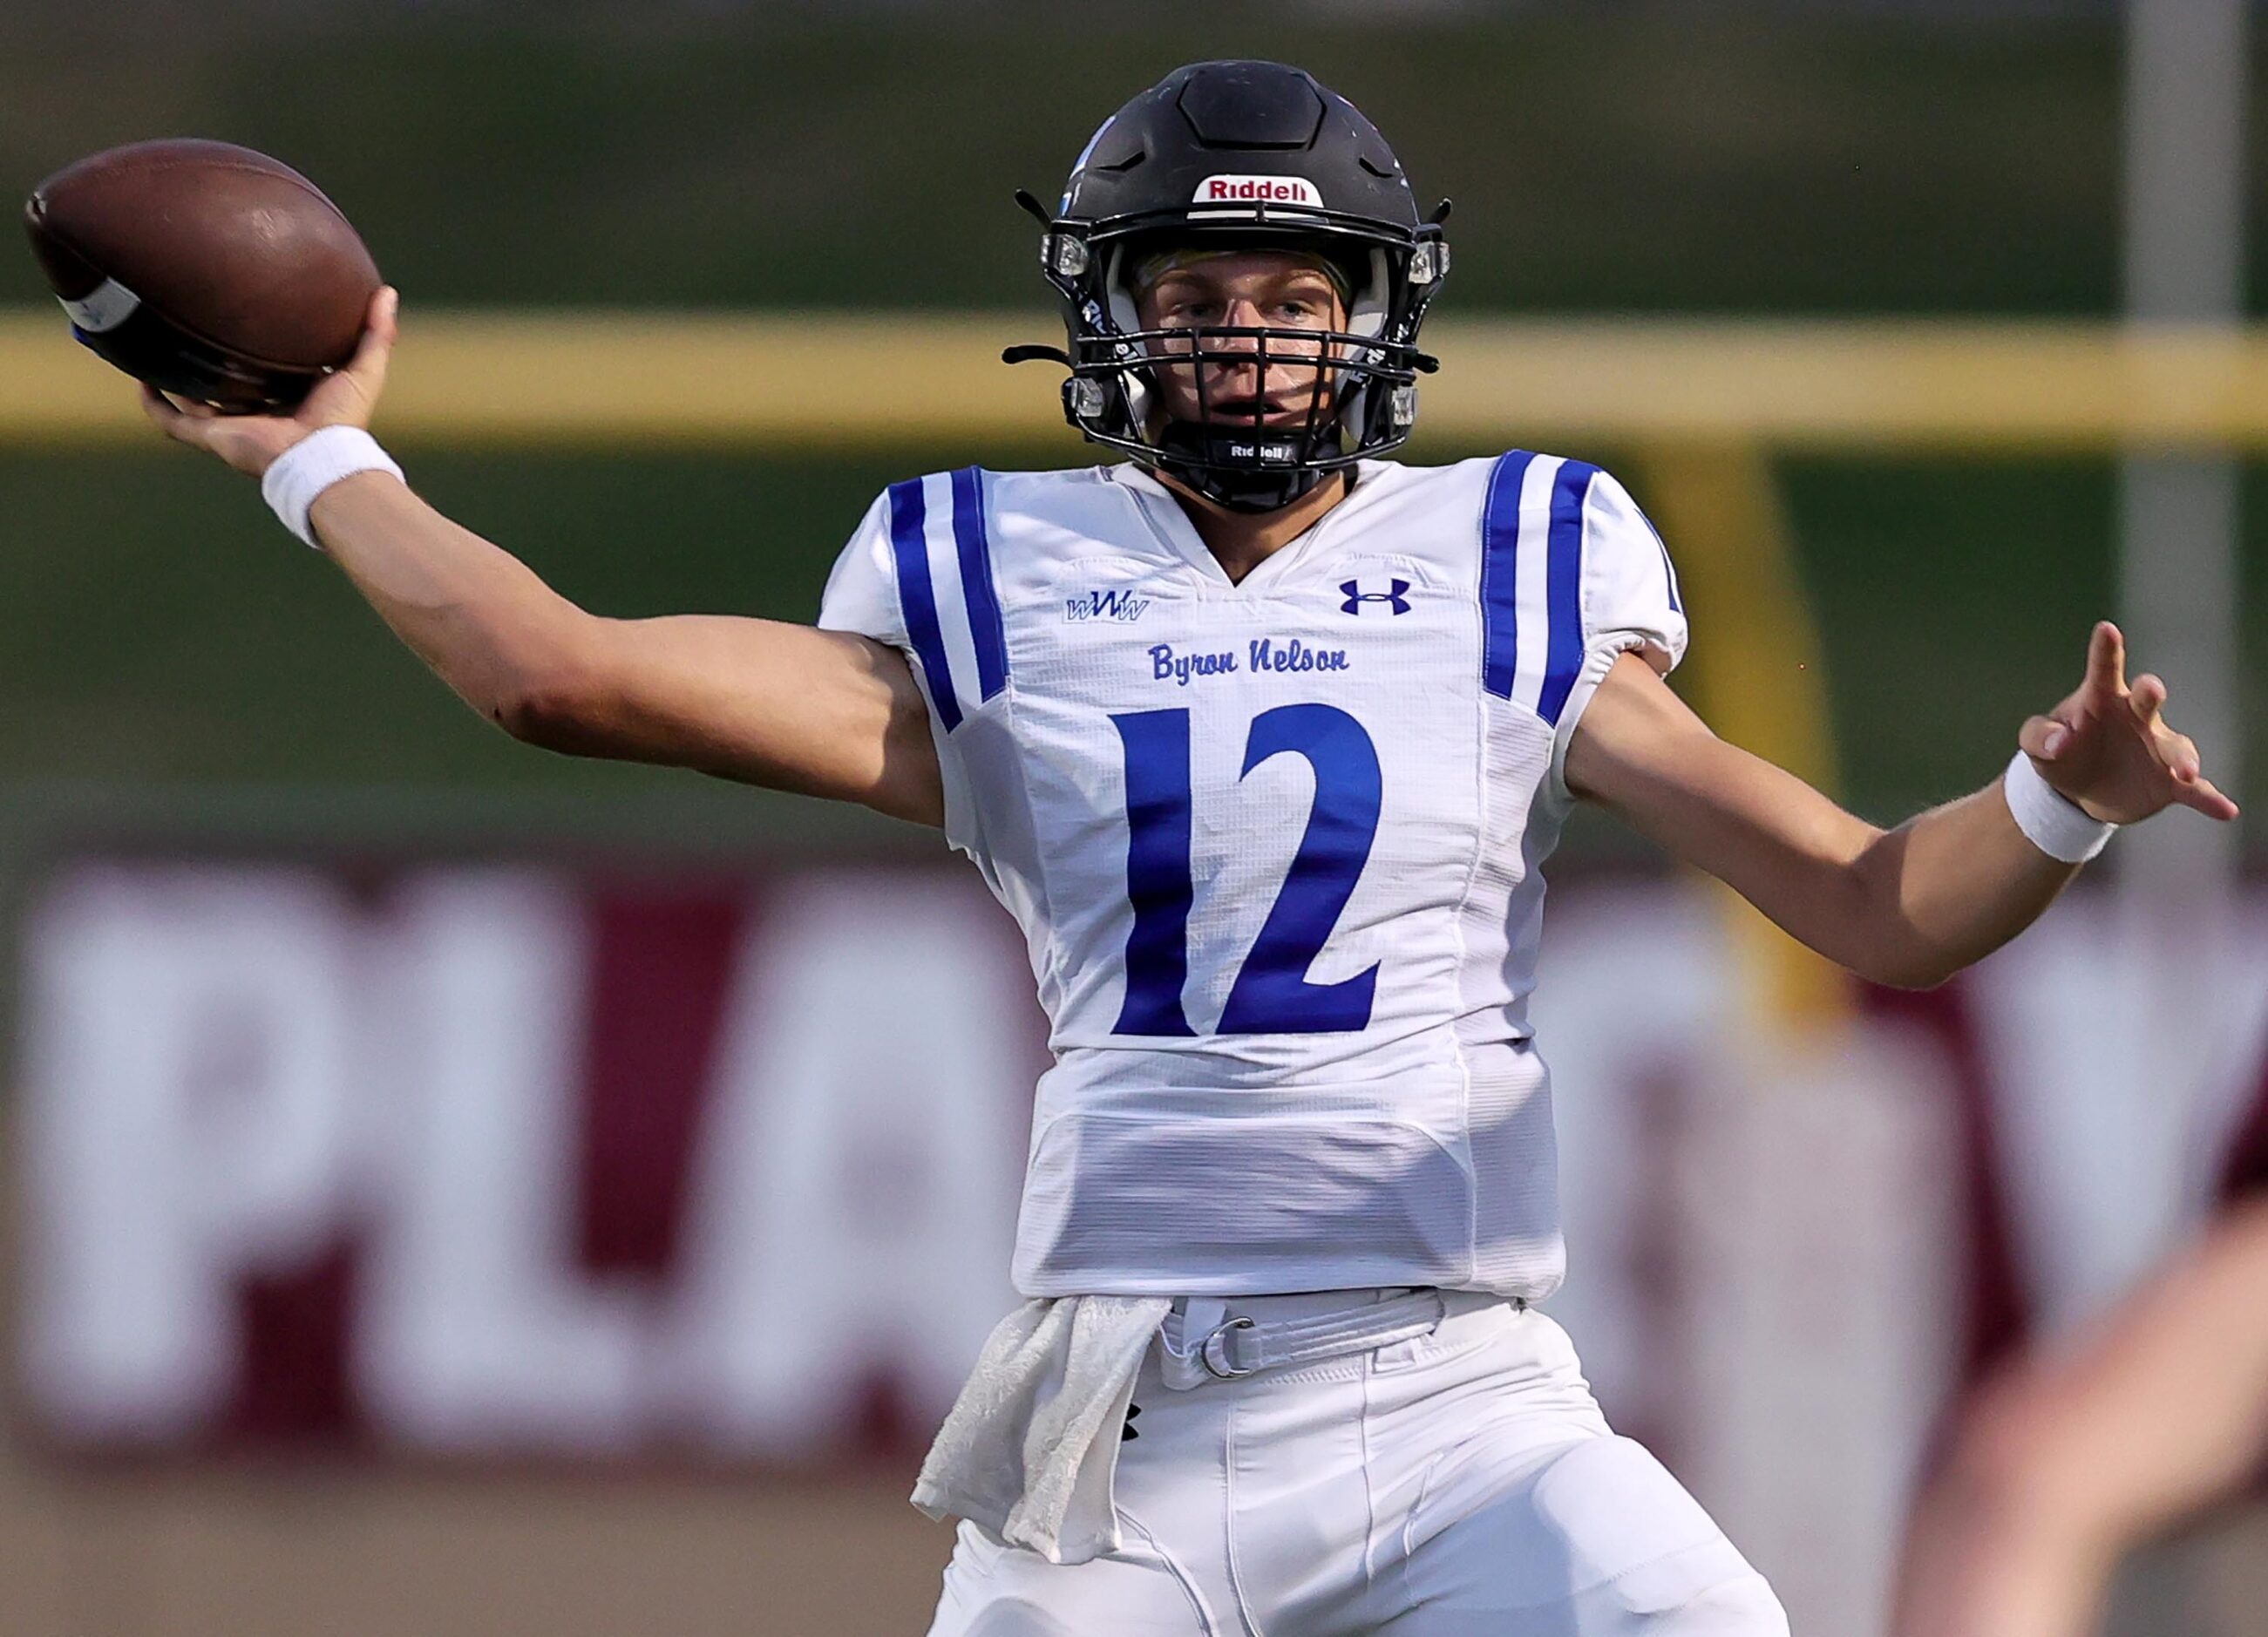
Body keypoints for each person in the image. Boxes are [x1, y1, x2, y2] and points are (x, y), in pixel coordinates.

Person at [134, 58, 2233, 1637]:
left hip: (1456, 1407)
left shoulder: (1516, 561)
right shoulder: (988, 573)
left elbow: (1872, 906)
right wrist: (321, 455)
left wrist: (2053, 797)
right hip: (1115, 1441)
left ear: (1372, 318)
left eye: (1293, 287)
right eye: (1198, 284)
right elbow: (555, 677)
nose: (1246, 327)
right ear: (1108, 315)